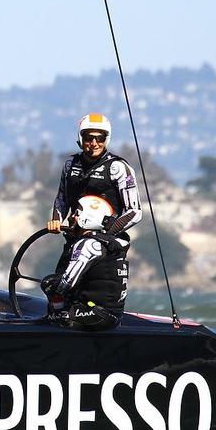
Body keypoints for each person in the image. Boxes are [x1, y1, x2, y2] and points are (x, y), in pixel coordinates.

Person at [46, 114, 141, 247]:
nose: (94, 144)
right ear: (81, 138)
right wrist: (56, 220)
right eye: (89, 138)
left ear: (106, 140)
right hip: (74, 240)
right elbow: (62, 199)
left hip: (106, 245)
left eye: (100, 138)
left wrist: (106, 233)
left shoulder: (118, 168)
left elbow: (135, 211)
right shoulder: (70, 164)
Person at [41, 194, 128, 331]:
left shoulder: (87, 244)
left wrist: (53, 290)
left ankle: (55, 326)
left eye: (76, 213)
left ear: (87, 217)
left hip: (96, 315)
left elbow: (66, 283)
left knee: (49, 284)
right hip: (113, 316)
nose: (70, 218)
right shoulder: (108, 243)